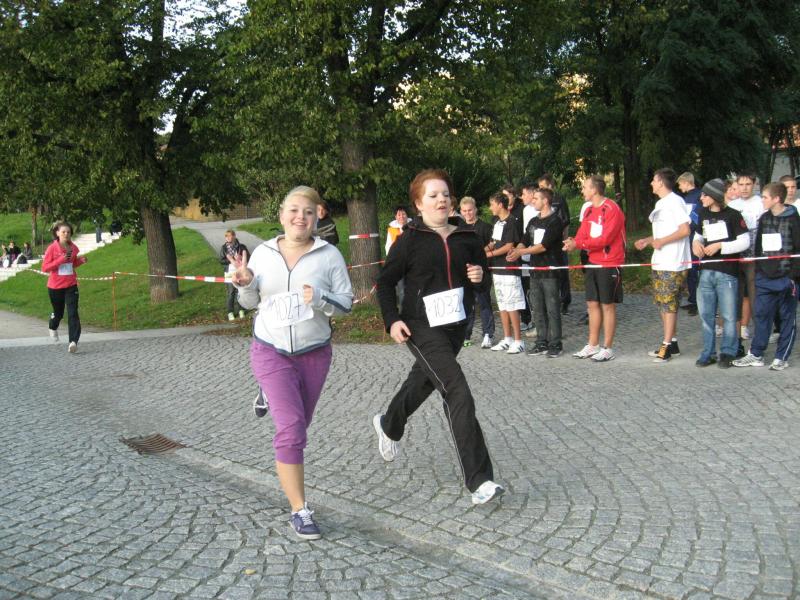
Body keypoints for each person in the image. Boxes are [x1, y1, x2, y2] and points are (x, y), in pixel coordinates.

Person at [373, 168, 505, 506]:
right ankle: (480, 480)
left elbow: (483, 282)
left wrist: (479, 277)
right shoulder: (409, 240)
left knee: (423, 381)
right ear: (419, 204)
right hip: (420, 325)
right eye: (432, 195)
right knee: (456, 388)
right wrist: (392, 320)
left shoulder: (467, 237)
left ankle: (389, 424)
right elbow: (385, 283)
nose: (441, 200)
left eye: (445, 194)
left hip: (456, 327)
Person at [231, 185, 353, 540]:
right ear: (282, 215)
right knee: (292, 431)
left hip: (314, 353)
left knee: (301, 426)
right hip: (270, 349)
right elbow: (250, 302)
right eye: (294, 210)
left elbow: (346, 304)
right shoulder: (263, 253)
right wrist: (245, 283)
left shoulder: (329, 255)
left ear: (317, 217)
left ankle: (268, 392)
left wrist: (321, 297)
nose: (301, 217)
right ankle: (300, 510)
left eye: (308, 212)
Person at [733, 182, 800, 371]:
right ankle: (756, 354)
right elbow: (759, 247)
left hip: (786, 278)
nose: (762, 200)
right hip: (765, 278)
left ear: (776, 199)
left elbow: (798, 250)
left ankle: (781, 357)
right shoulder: (764, 218)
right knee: (761, 315)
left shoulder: (794, 219)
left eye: (764, 197)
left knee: (787, 318)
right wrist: (760, 271)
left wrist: (793, 277)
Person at [563, 175, 626, 362]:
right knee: (592, 303)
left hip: (609, 262)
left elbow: (606, 238)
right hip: (592, 261)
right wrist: (573, 242)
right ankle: (593, 344)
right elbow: (582, 233)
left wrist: (580, 244)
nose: (582, 190)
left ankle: (608, 347)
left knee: (607, 305)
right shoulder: (589, 210)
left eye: (585, 187)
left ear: (594, 189)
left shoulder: (612, 209)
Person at [634, 168, 691, 363]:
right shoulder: (660, 203)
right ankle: (672, 342)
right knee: (662, 304)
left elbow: (684, 230)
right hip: (660, 260)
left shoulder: (676, 201)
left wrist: (663, 241)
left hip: (673, 262)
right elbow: (663, 233)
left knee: (669, 304)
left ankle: (666, 346)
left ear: (660, 182)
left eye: (653, 180)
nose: (651, 183)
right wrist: (648, 240)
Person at [691, 179, 749, 368]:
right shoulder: (703, 213)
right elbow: (699, 236)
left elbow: (744, 241)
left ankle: (728, 352)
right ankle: (708, 352)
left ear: (714, 196)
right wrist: (696, 244)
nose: (701, 198)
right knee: (706, 315)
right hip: (705, 271)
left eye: (704, 195)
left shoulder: (733, 215)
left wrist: (721, 246)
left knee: (729, 315)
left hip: (727, 272)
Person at [508, 187, 565, 357]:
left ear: (545, 201)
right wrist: (516, 250)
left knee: (552, 308)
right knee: (538, 308)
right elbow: (525, 240)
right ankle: (541, 342)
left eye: (536, 199)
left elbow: (543, 246)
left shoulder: (555, 221)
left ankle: (556, 343)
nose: (533, 202)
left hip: (550, 271)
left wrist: (521, 252)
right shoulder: (533, 221)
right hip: (534, 270)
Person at [487, 192, 525, 354]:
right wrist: (482, 251)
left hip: (509, 267)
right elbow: (494, 243)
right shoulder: (497, 222)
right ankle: (507, 337)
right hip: (497, 268)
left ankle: (518, 340)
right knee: (502, 303)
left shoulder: (512, 221)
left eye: (492, 204)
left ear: (500, 205)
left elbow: (509, 245)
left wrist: (490, 254)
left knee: (512, 304)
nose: (490, 208)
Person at [728, 172, 764, 340]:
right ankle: (736, 333)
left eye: (748, 184)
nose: (744, 188)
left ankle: (760, 333)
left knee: (755, 296)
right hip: (735, 258)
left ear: (754, 185)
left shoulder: (761, 203)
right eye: (741, 185)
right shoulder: (732, 205)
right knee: (736, 296)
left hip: (755, 259)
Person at [41, 222, 86, 353]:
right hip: (55, 286)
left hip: (71, 285)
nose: (66, 234)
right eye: (63, 232)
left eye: (68, 232)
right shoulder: (52, 248)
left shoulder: (73, 248)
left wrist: (80, 261)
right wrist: (60, 260)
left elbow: (72, 264)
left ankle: (73, 342)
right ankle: (53, 326)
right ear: (57, 233)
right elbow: (45, 268)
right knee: (59, 313)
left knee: (73, 313)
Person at [459, 196, 495, 349]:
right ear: (461, 211)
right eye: (464, 211)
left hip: (482, 272)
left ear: (475, 210)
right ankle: (466, 335)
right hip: (465, 272)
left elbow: (493, 244)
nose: (468, 213)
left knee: (484, 302)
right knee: (467, 304)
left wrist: (479, 252)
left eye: (470, 210)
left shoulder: (485, 227)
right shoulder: (459, 228)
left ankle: (488, 334)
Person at [537, 174, 572, 314]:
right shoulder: (539, 201)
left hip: (558, 241)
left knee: (562, 272)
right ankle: (550, 301)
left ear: (550, 185)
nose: (540, 189)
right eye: (539, 187)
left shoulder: (559, 200)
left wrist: (565, 240)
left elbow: (566, 221)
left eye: (542, 186)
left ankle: (565, 301)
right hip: (544, 241)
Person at [502, 184, 532, 331]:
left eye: (507, 195)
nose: (505, 198)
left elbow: (526, 231)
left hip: (521, 250)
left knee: (524, 287)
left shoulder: (522, 209)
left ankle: (527, 319)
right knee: (513, 287)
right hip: (507, 253)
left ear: (514, 195)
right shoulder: (501, 211)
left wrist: (520, 248)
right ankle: (518, 317)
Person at [677, 172, 702, 315]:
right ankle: (693, 299)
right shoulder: (684, 198)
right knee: (689, 269)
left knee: (695, 270)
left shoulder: (699, 196)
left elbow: (697, 217)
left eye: (680, 184)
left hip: (694, 238)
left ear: (687, 182)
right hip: (685, 238)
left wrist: (686, 230)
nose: (679, 187)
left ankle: (698, 302)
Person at [219, 230, 249, 321]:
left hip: (240, 272)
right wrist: (231, 260)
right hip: (229, 273)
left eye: (231, 236)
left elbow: (248, 257)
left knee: (240, 291)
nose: (229, 238)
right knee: (231, 292)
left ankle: (241, 310)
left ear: (235, 236)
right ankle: (230, 312)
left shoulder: (242, 247)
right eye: (227, 236)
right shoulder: (224, 248)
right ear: (225, 238)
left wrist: (241, 258)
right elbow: (221, 260)